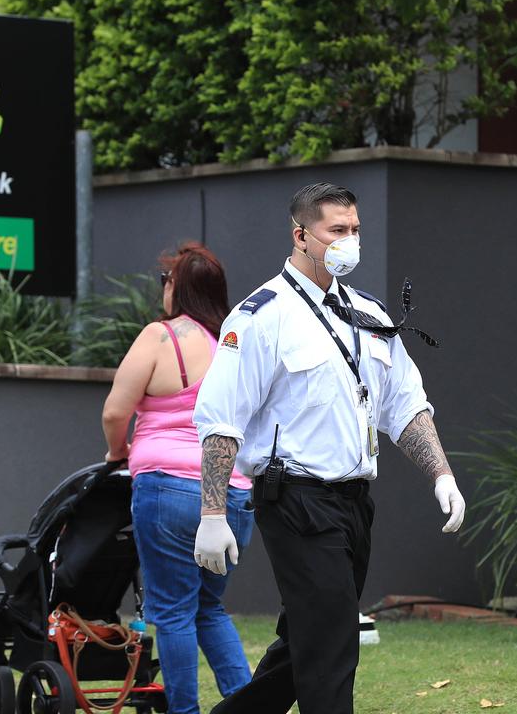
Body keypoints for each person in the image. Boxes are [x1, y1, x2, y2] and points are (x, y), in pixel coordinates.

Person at [192, 182, 465, 714]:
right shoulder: (261, 315)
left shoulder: (369, 314)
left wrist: (442, 475)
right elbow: (222, 420)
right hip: (293, 497)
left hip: (353, 501)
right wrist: (212, 511)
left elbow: (405, 407)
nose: (350, 241)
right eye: (337, 231)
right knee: (334, 641)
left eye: (355, 230)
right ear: (301, 235)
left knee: (307, 643)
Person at [101, 243, 254, 714]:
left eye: (165, 281)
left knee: (172, 611)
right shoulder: (238, 339)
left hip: (170, 487)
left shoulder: (160, 337)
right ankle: (252, 706)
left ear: (177, 287)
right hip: (235, 491)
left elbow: (114, 411)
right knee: (208, 607)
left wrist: (117, 452)